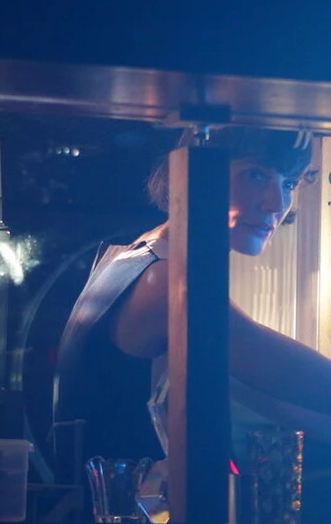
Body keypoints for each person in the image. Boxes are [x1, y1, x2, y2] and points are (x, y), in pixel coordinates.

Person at [51, 126, 331, 484]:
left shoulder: (138, 254)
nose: (276, 204)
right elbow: (284, 371)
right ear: (194, 173)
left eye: (288, 184)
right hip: (119, 513)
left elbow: (270, 395)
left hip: (110, 505)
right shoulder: (167, 282)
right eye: (256, 175)